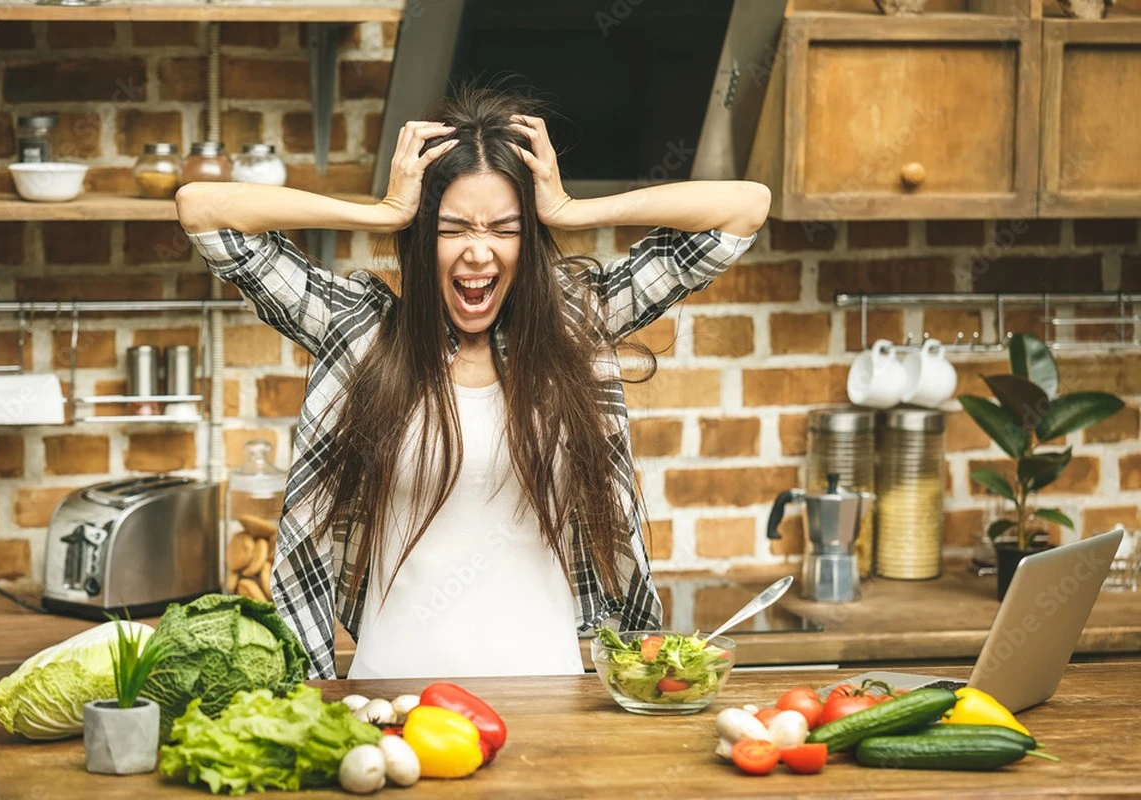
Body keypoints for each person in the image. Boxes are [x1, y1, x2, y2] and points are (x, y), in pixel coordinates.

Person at [176, 87, 771, 680]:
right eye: (452, 228)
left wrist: (569, 210)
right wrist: (383, 212)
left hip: (550, 695)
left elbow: (743, 208)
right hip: (394, 697)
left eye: (505, 229)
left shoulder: (575, 324)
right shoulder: (360, 331)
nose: (479, 253)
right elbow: (203, 210)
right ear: (420, 234)